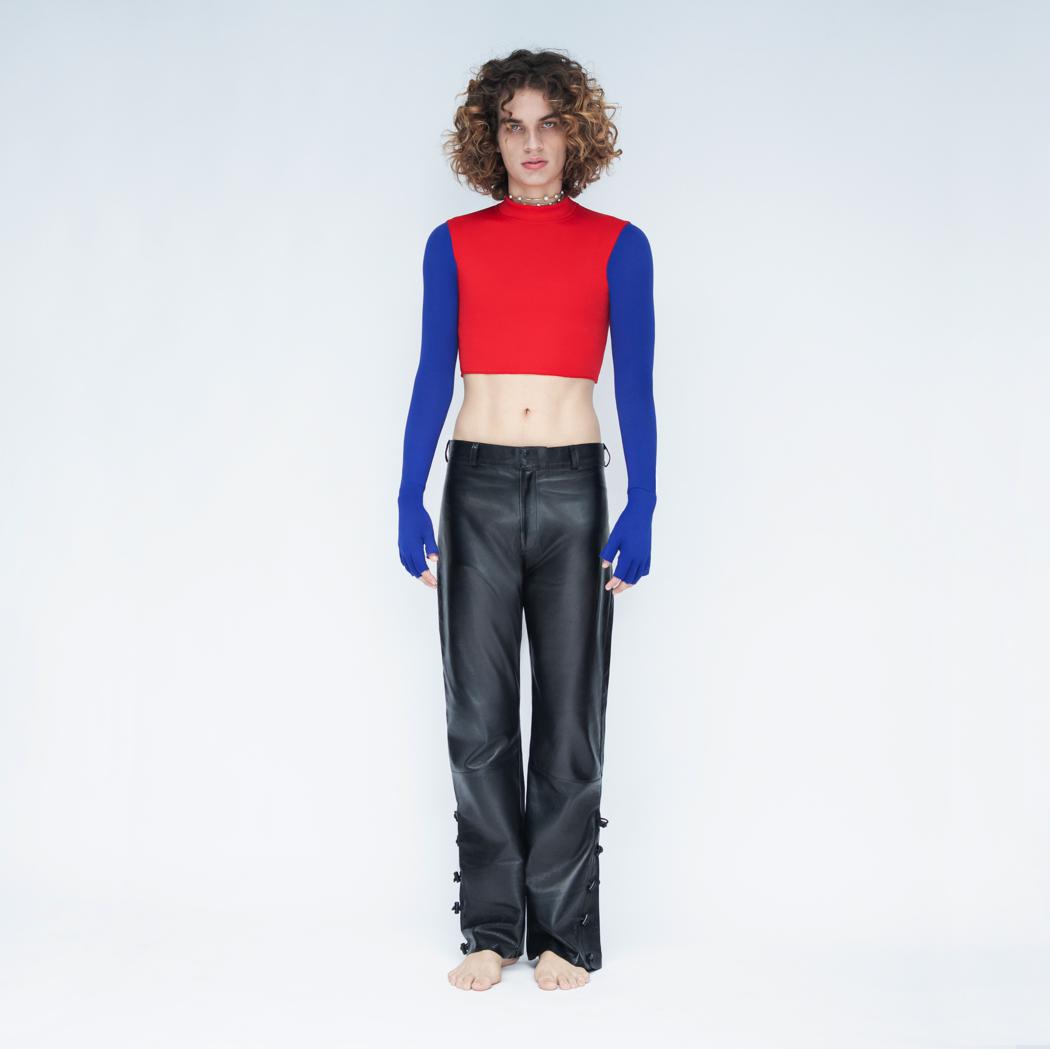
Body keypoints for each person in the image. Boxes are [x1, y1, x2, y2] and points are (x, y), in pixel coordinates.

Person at [397, 48, 657, 992]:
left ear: (576, 134)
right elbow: (432, 374)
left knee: (569, 722)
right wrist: (407, 495)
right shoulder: (452, 243)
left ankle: (566, 931)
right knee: (477, 719)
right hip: (475, 488)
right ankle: (492, 926)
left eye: (549, 124)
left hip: (573, 492)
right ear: (491, 138)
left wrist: (644, 501)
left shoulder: (620, 243)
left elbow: (637, 383)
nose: (533, 142)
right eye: (514, 125)